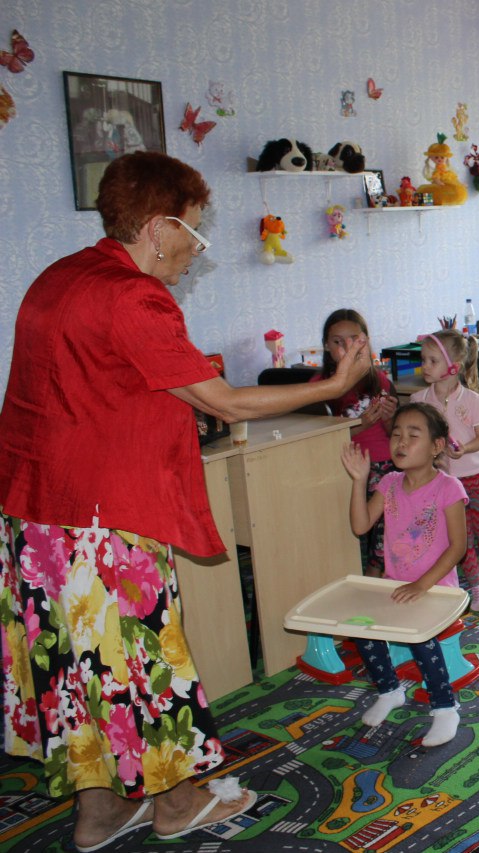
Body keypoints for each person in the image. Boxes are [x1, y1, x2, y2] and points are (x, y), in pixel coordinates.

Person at [0, 151, 371, 852]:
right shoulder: (133, 297)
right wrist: (330, 386)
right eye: (193, 232)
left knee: (80, 668)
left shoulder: (60, 277)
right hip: (104, 520)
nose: (196, 250)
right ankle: (176, 803)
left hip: (35, 517)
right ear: (158, 227)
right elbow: (223, 400)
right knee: (139, 661)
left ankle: (99, 812)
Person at [340, 403, 466, 746]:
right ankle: (389, 691)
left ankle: (446, 707)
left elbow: (458, 547)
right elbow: (360, 525)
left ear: (437, 446)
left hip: (437, 589)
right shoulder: (389, 483)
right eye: (396, 434)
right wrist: (359, 480)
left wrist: (422, 585)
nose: (401, 442)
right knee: (360, 625)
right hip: (397, 587)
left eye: (413, 435)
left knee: (419, 636)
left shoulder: (449, 488)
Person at [409, 330, 479, 612]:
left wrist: (464, 448)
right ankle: (477, 589)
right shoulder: (419, 400)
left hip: (475, 476)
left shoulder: (474, 400)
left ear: (453, 366)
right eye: (423, 360)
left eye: (432, 361)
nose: (425, 367)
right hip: (445, 484)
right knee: (461, 539)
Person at [312, 309, 397, 577]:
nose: (347, 348)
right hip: (344, 464)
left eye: (354, 340)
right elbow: (318, 441)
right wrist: (360, 425)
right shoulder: (319, 386)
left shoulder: (379, 380)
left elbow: (394, 434)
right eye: (338, 342)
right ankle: (364, 568)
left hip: (383, 462)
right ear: (327, 346)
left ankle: (376, 568)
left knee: (389, 512)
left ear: (365, 342)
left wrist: (389, 418)